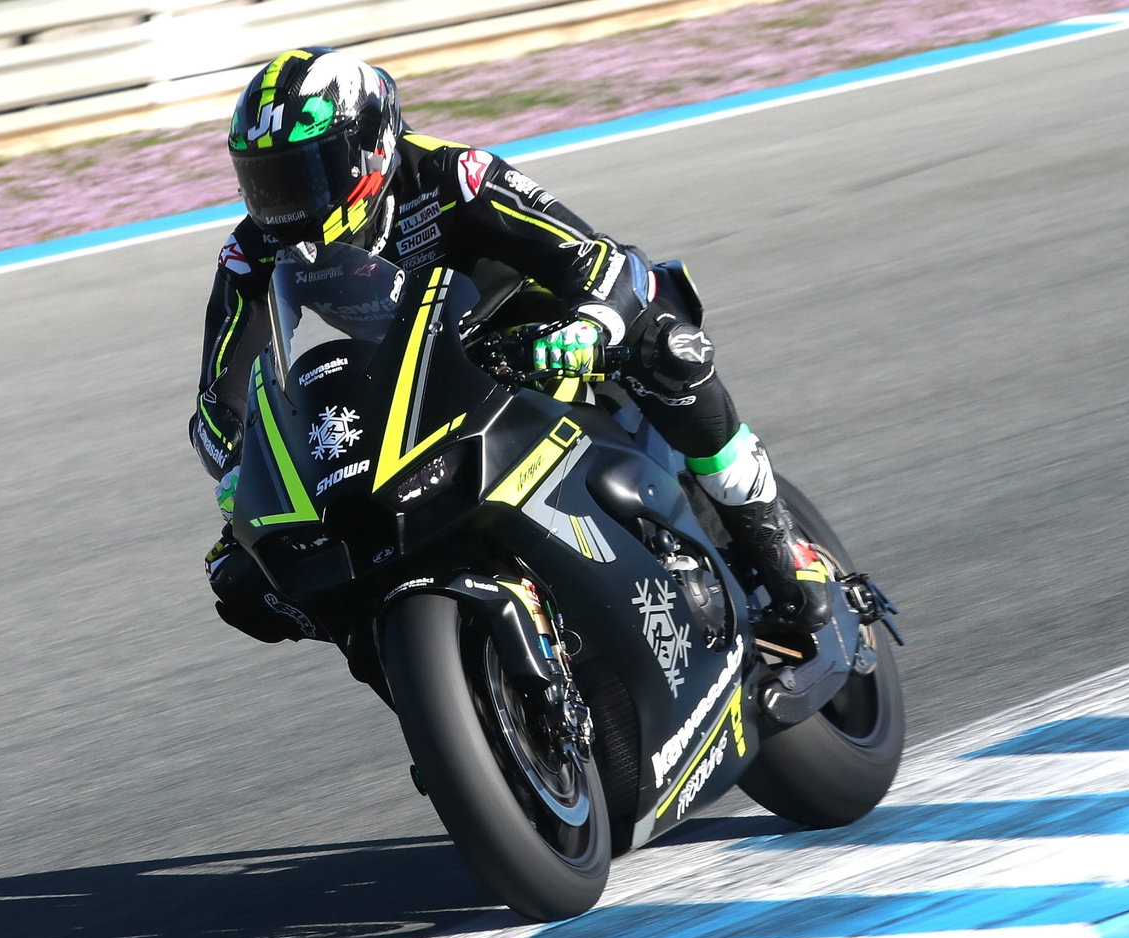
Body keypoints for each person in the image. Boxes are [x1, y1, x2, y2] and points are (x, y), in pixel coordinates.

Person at [191, 47, 832, 644]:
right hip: (408, 383)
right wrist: (236, 470)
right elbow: (217, 397)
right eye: (268, 183)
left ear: (369, 151)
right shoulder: (253, 252)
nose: (286, 205)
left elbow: (592, 255)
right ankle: (416, 669)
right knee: (245, 573)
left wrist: (590, 325)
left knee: (666, 345)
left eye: (306, 175)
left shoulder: (451, 175)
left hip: (538, 332)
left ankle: (777, 547)